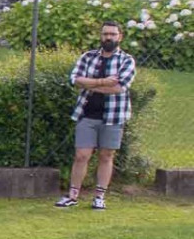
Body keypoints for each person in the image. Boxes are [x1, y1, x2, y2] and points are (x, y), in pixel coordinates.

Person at [57, 20, 136, 211]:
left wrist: (90, 84)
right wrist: (103, 82)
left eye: (112, 34)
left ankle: (99, 197)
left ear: (120, 37)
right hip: (86, 114)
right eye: (105, 34)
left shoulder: (126, 60)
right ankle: (73, 195)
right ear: (100, 36)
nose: (108, 37)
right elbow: (75, 80)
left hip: (113, 116)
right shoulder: (88, 57)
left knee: (106, 156)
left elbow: (118, 88)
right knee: (81, 155)